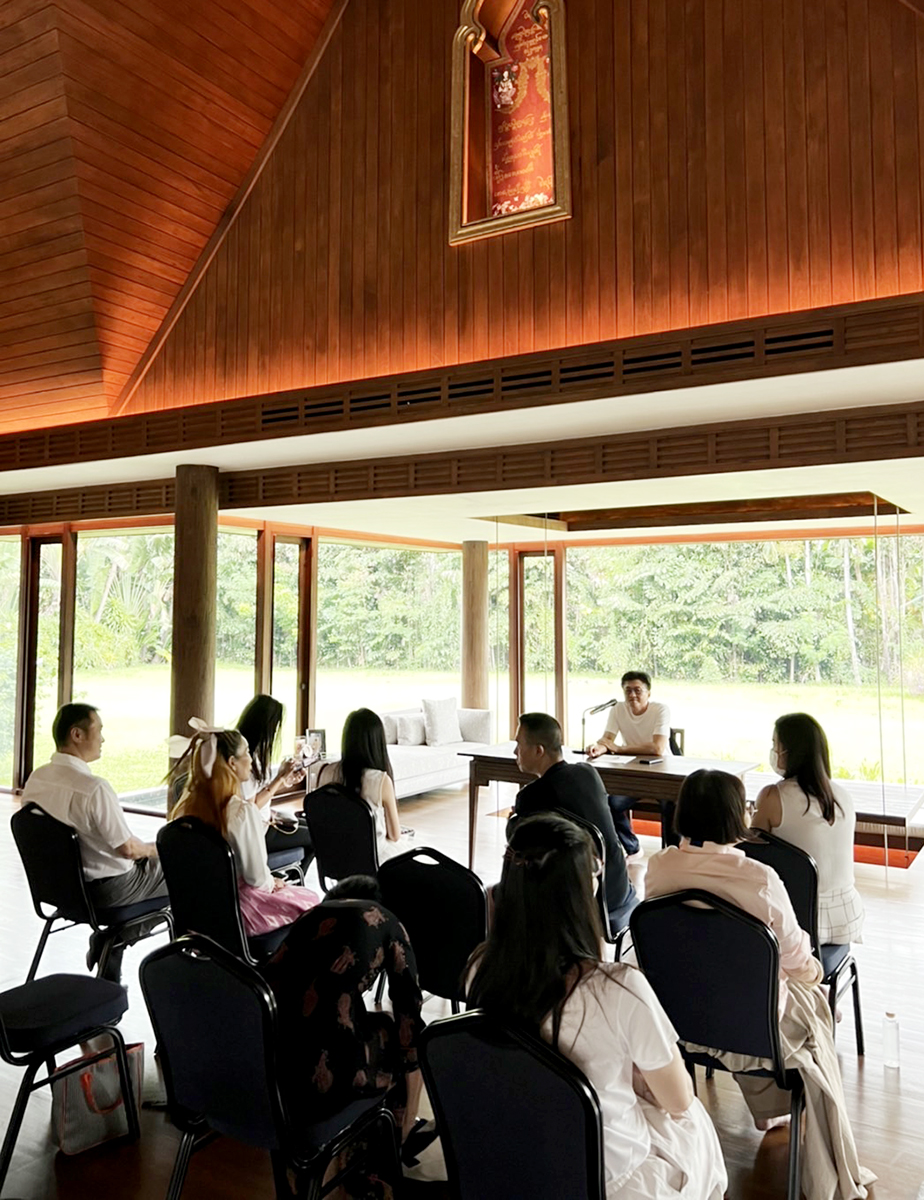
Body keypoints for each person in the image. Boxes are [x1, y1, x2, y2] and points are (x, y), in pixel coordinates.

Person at [467, 812, 727, 1199]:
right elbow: (677, 1099)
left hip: (518, 1156)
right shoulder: (618, 988)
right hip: (606, 1175)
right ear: (582, 890)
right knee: (693, 1120)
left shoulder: (480, 968)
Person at [646, 770, 875, 1200]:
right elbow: (800, 961)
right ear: (737, 815)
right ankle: (777, 1111)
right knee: (804, 1000)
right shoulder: (759, 878)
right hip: (755, 1030)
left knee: (746, 986)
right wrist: (811, 977)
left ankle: (767, 1109)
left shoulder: (658, 870)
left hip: (679, 1022)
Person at [262, 874, 424, 1149]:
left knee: (369, 1023)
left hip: (276, 1067)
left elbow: (271, 981)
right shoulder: (386, 920)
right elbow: (409, 1013)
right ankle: (398, 1138)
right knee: (398, 1037)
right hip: (334, 1074)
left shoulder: (310, 917)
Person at [22, 702, 168, 982]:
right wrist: (157, 849)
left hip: (59, 891)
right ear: (77, 735)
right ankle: (116, 940)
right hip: (107, 893)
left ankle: (112, 942)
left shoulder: (37, 778)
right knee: (184, 870)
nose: (102, 738)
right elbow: (127, 848)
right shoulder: (94, 788)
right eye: (98, 730)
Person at [169, 719, 319, 936]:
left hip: (197, 912)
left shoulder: (184, 811)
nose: (250, 759)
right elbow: (256, 878)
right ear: (232, 763)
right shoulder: (239, 813)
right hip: (239, 916)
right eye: (247, 752)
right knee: (311, 903)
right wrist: (274, 882)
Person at [510, 712, 636, 928]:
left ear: (538, 750)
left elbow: (518, 842)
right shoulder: (588, 772)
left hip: (583, 900)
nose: (515, 752)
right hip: (619, 888)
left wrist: (513, 820)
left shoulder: (532, 795)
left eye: (519, 744)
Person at [752, 713, 864, 945]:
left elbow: (752, 850)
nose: (773, 752)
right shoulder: (842, 795)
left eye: (775, 745)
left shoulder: (774, 795)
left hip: (804, 922)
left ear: (790, 752)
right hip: (849, 916)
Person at [585, 671, 672, 858]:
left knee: (672, 805)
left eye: (638, 690)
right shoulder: (617, 709)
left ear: (649, 693)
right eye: (628, 691)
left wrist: (618, 749)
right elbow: (607, 739)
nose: (632, 695)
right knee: (610, 803)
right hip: (634, 774)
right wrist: (598, 748)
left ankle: (671, 854)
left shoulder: (661, 710)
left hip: (662, 773)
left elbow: (657, 748)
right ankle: (633, 848)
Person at [316, 708, 410, 863]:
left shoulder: (326, 772)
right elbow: (394, 835)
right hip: (372, 861)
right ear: (377, 742)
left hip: (335, 859)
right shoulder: (380, 780)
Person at [236, 694, 314, 876]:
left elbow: (256, 794)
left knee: (311, 825)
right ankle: (292, 877)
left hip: (264, 822)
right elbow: (250, 808)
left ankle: (288, 877)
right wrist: (279, 778)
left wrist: (285, 780)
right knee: (315, 835)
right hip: (256, 832)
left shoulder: (247, 749)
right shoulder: (245, 758)